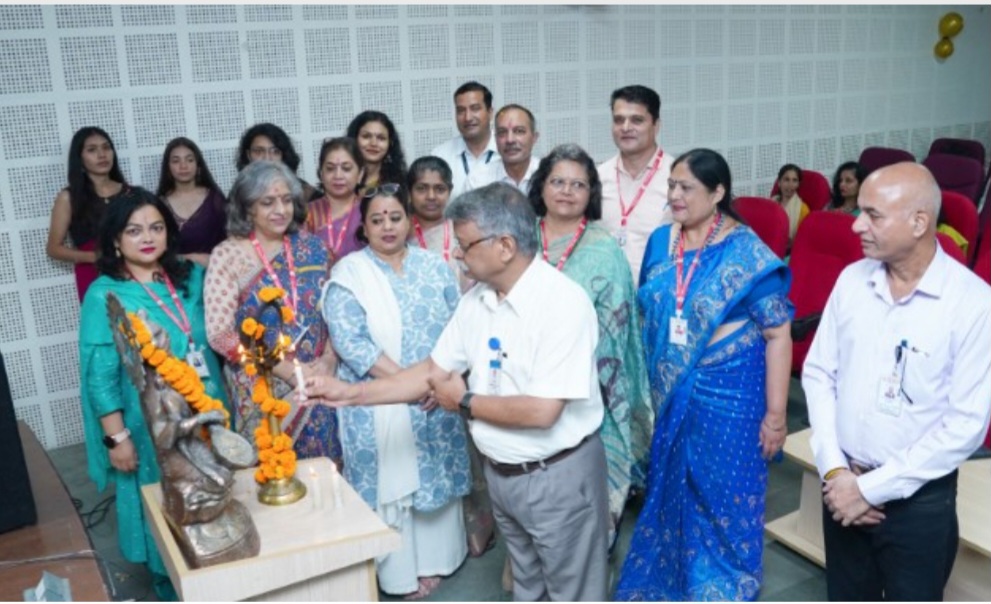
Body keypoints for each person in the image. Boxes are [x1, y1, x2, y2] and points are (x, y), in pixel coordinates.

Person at [306, 183, 609, 601]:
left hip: (554, 476)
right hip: (503, 473)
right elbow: (433, 370)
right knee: (528, 586)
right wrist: (348, 393)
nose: (458, 255)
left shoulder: (562, 304)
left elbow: (542, 411)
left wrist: (463, 401)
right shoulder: (479, 301)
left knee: (572, 592)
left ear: (504, 245)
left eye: (466, 245)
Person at [802, 162, 991, 601]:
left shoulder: (972, 303)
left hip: (917, 504)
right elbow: (817, 373)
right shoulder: (852, 281)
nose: (856, 226)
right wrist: (835, 473)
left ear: (919, 222)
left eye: (873, 215)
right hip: (843, 484)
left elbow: (965, 425)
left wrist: (869, 490)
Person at [616, 148, 793, 601]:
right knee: (672, 487)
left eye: (686, 187)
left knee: (722, 493)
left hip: (731, 395)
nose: (674, 195)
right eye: (671, 185)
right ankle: (675, 578)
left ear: (717, 193)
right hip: (670, 392)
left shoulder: (747, 252)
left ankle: (725, 585)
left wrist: (776, 416)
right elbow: (648, 313)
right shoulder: (661, 241)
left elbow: (778, 335)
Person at [320, 185, 470, 599]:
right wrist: (409, 383)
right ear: (363, 227)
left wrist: (437, 381)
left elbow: (460, 328)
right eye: (377, 219)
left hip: (437, 393)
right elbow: (352, 343)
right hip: (377, 399)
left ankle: (438, 560)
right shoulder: (348, 274)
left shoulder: (435, 267)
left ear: (410, 220)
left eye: (395, 217)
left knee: (433, 477)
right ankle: (399, 574)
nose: (387, 226)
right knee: (393, 477)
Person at [79, 190, 228, 600]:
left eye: (157, 227)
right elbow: (100, 376)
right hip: (152, 424)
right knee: (169, 504)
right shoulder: (105, 295)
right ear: (115, 240)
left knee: (217, 493)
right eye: (134, 230)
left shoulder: (190, 278)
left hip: (212, 410)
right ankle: (173, 585)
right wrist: (117, 439)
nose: (147, 237)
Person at [528, 143, 652, 542]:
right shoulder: (518, 239)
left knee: (584, 482)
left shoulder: (604, 248)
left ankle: (590, 555)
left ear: (590, 194)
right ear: (542, 186)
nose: (566, 191)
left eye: (578, 184)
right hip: (523, 377)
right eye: (558, 181)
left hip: (588, 384)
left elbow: (618, 327)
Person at [204, 161, 341, 464]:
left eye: (287, 200)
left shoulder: (315, 248)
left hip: (320, 380)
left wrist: (330, 358)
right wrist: (287, 371)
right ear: (247, 208)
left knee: (327, 477)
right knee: (274, 475)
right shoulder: (228, 255)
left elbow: (337, 314)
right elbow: (220, 334)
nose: (280, 209)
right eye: (268, 202)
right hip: (263, 389)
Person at [597, 85, 674, 284]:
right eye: (619, 120)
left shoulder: (678, 179)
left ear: (656, 126)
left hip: (658, 294)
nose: (625, 128)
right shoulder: (597, 177)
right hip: (607, 296)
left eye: (637, 120)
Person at [47, 126, 133, 301]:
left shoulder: (130, 193)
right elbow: (53, 248)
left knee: (144, 325)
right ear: (79, 158)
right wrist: (96, 257)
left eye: (106, 148)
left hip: (133, 270)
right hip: (93, 273)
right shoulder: (68, 198)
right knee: (103, 325)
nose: (102, 155)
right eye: (92, 150)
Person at [156, 137, 227, 267]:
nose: (183, 166)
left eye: (189, 160)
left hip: (214, 273)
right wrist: (191, 258)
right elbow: (157, 250)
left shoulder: (214, 199)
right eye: (176, 161)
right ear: (168, 167)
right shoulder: (159, 205)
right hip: (174, 275)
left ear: (198, 165)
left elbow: (229, 240)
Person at [407, 156, 470, 291]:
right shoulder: (401, 231)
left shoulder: (463, 230)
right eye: (422, 189)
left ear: (450, 191)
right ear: (409, 191)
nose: (431, 196)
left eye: (440, 189)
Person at [430, 81, 498, 196]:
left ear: (490, 113)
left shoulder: (507, 151)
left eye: (475, 109)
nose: (468, 118)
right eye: (461, 111)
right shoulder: (440, 156)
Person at [304, 137, 365, 262]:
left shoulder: (368, 211)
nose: (338, 176)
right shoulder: (307, 213)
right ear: (321, 174)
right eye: (330, 169)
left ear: (360, 174)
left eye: (346, 168)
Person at [463, 104, 540, 194]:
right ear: (495, 139)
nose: (510, 140)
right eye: (502, 132)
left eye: (519, 131)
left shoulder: (547, 176)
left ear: (534, 138)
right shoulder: (478, 181)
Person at [235, 123, 319, 202]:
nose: (267, 158)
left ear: (284, 156)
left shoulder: (306, 194)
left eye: (275, 152)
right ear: (248, 155)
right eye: (259, 151)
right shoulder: (240, 193)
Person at [346, 111, 408, 195]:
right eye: (366, 136)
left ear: (390, 143)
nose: (373, 143)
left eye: (381, 138)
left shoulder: (400, 183)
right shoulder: (341, 179)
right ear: (354, 139)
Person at [772, 163, 810, 241]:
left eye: (794, 180)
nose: (790, 185)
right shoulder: (771, 202)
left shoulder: (803, 209)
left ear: (798, 184)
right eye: (786, 180)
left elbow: (802, 240)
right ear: (779, 183)